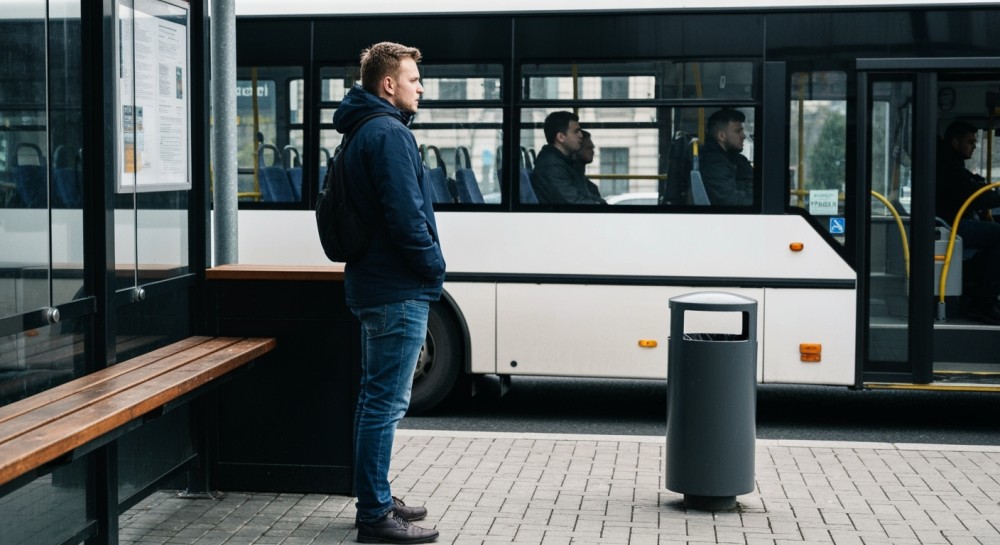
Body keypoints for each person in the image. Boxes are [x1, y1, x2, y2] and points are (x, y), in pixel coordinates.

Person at [332, 42, 444, 544]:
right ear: (387, 85)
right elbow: (406, 216)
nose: (421, 86)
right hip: (396, 287)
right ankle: (375, 515)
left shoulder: (361, 131)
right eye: (414, 78)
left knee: (373, 400)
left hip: (375, 284)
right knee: (384, 404)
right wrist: (434, 266)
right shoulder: (389, 135)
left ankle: (376, 497)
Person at [936, 120, 1000, 323]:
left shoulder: (952, 163)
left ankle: (977, 291)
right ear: (955, 143)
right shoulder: (948, 166)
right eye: (970, 141)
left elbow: (975, 186)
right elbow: (974, 196)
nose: (974, 146)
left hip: (954, 221)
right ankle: (985, 302)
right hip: (952, 225)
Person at [530, 111, 604, 204]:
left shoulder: (565, 162)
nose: (581, 135)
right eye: (576, 131)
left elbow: (586, 193)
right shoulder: (551, 166)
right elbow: (573, 202)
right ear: (561, 137)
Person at [699, 108, 753, 205]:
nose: (743, 136)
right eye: (738, 131)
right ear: (721, 136)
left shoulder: (738, 159)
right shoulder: (712, 164)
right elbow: (732, 201)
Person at [573, 130, 607, 204]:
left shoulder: (587, 183)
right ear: (576, 149)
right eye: (588, 148)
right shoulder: (572, 175)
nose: (593, 151)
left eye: (592, 148)